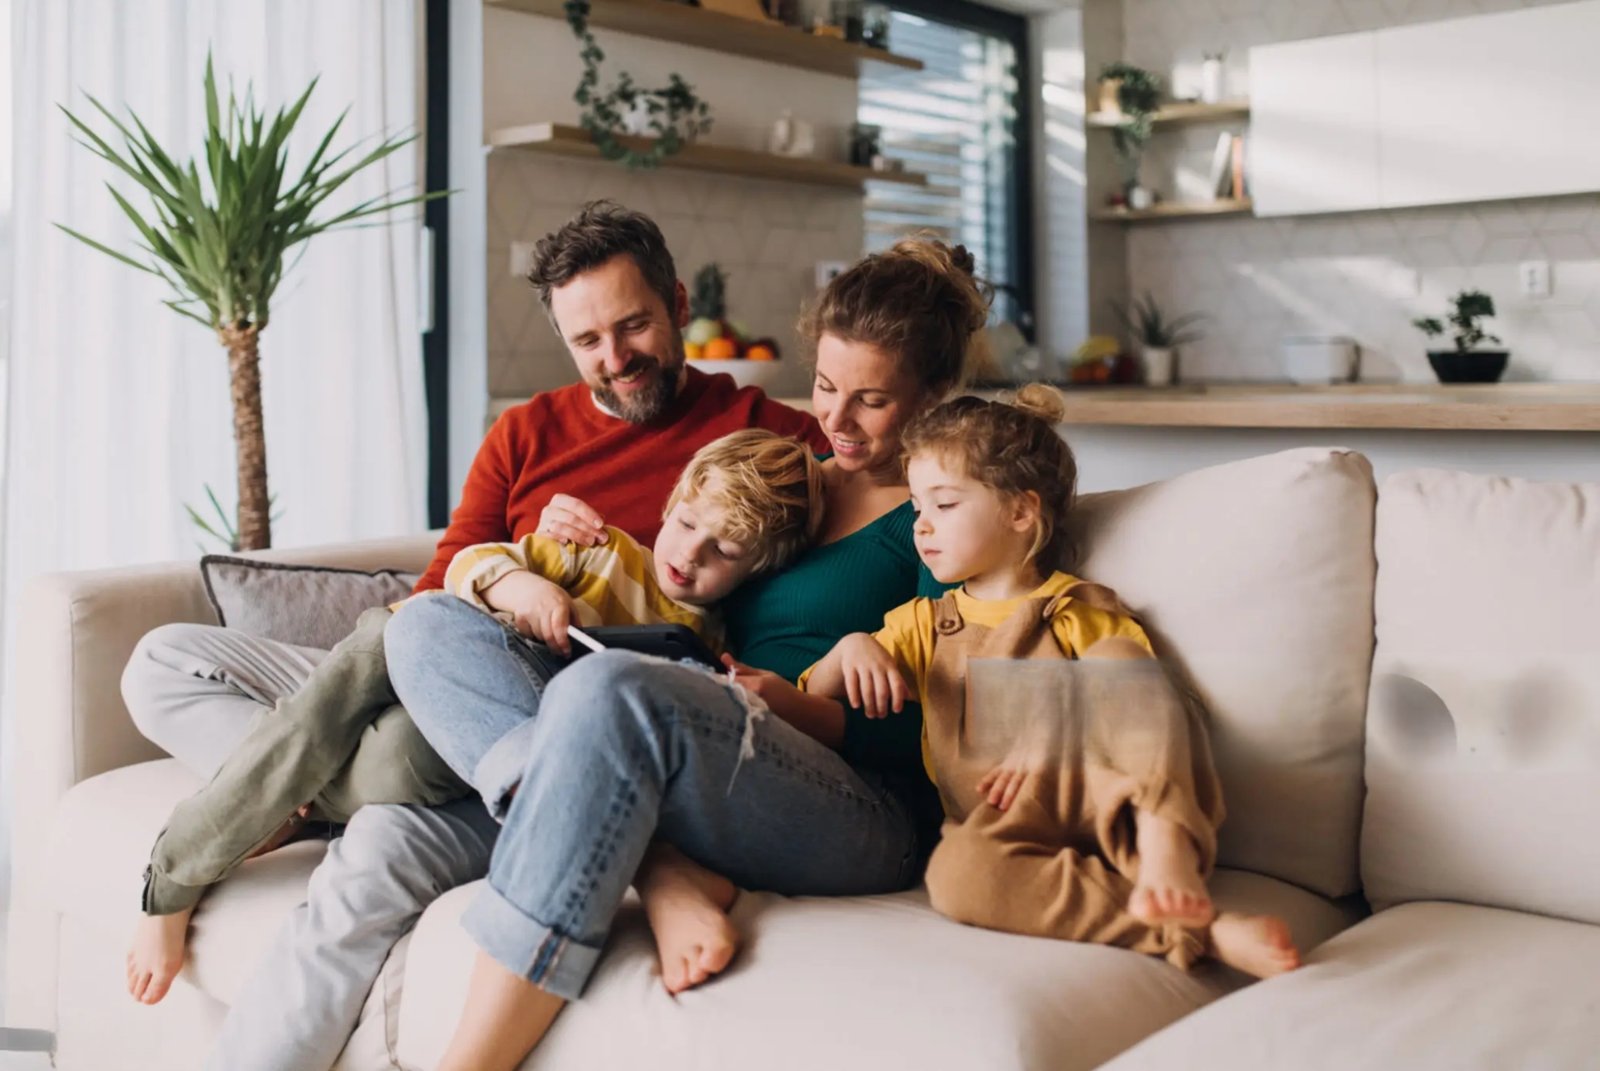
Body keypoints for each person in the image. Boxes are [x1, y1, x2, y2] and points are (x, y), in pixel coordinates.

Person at [118, 200, 826, 1068]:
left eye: (634, 325)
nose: (615, 359)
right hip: (452, 676)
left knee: (367, 862)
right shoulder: (526, 432)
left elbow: (850, 543)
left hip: (567, 738)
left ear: (678, 304)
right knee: (165, 660)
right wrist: (517, 574)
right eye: (588, 341)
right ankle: (301, 786)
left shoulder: (768, 441)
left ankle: (295, 789)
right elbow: (431, 603)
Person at [380, 235, 990, 1071]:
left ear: (933, 394)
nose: (835, 423)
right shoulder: (790, 477)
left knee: (608, 690)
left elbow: (957, 736)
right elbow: (686, 583)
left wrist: (802, 702)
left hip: (861, 805)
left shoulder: (943, 514)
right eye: (822, 387)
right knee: (423, 626)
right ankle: (661, 866)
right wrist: (566, 559)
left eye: (871, 402)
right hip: (711, 742)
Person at [123, 428, 822, 1005]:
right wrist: (522, 583)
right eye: (687, 524)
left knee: (400, 753)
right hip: (394, 648)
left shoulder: (708, 656)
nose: (689, 554)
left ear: (758, 567)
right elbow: (470, 564)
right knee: (164, 660)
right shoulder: (600, 549)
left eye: (723, 551)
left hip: (453, 734)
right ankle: (219, 842)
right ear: (671, 502)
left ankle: (255, 811)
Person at [801, 386, 1302, 979]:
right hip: (1006, 828)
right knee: (954, 876)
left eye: (945, 505)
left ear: (1020, 512)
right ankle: (1200, 930)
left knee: (1119, 658)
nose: (923, 527)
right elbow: (815, 692)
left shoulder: (1074, 606)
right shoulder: (925, 625)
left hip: (1111, 804)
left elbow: (1151, 705)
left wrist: (1053, 729)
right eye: (917, 508)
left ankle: (1170, 839)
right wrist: (850, 647)